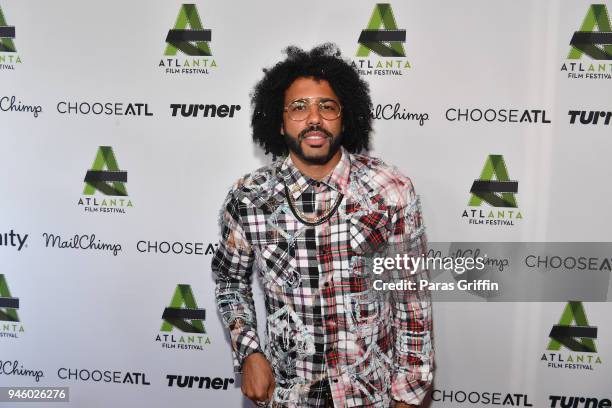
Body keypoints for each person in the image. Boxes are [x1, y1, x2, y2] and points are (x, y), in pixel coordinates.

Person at [212, 43, 433, 408]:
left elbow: (411, 298)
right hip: (287, 395)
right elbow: (230, 280)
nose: (314, 118)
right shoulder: (248, 197)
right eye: (299, 107)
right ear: (279, 122)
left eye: (326, 106)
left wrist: (408, 393)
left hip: (370, 394)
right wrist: (249, 351)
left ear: (345, 118)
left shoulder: (390, 189)